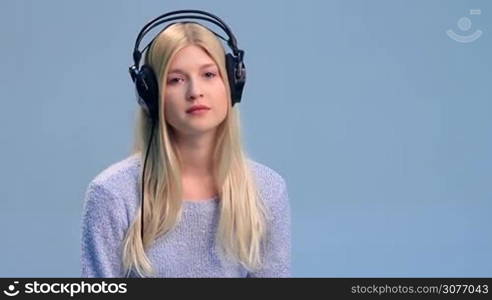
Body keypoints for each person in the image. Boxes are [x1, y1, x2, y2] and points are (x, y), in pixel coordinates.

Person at [80, 20, 291, 278]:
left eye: (209, 75)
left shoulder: (267, 191)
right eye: (176, 79)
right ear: (151, 95)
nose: (195, 91)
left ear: (231, 84)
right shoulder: (112, 194)